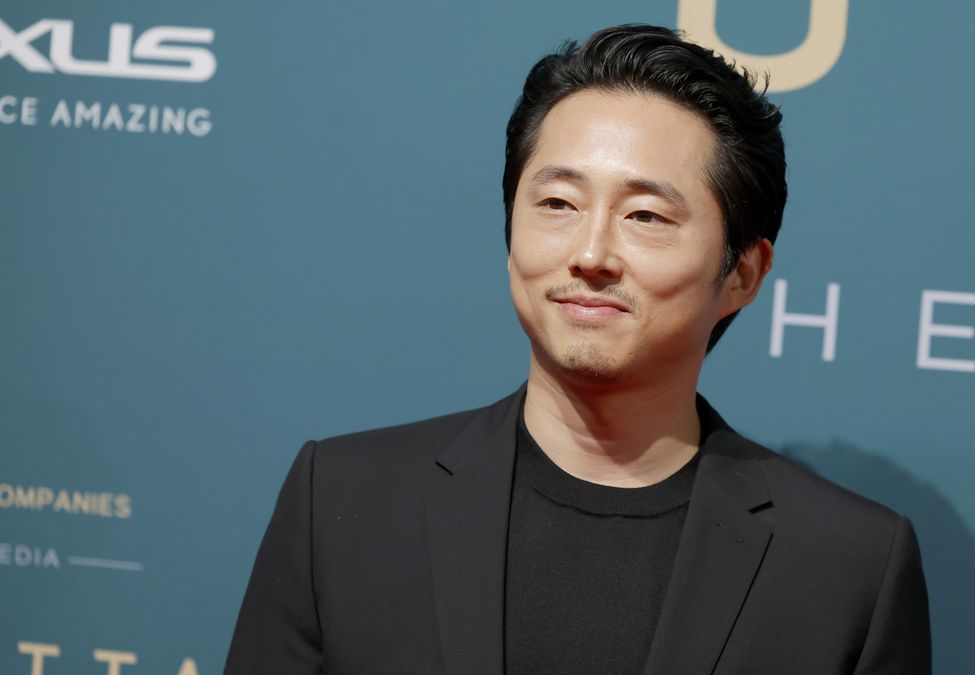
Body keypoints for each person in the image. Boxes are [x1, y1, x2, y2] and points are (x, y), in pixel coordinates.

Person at [225, 24, 931, 675]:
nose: (590, 253)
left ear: (742, 272)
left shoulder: (848, 565)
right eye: (558, 204)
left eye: (645, 216)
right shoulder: (344, 501)